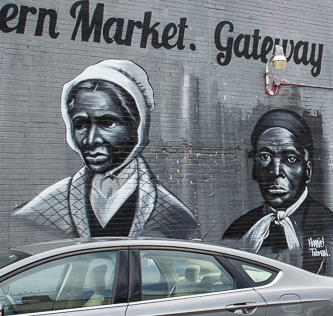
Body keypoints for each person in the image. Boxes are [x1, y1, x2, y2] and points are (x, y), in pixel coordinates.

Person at [14, 59, 197, 238]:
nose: (91, 140)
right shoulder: (45, 209)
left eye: (107, 123)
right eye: (81, 124)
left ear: (136, 127)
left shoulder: (172, 214)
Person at [223, 109, 333, 274]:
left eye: (290, 158)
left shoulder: (332, 229)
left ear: (307, 170)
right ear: (254, 169)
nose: (275, 171)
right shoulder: (238, 230)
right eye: (265, 157)